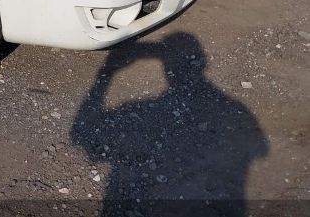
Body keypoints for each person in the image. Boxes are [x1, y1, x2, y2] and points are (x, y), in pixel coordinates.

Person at [71, 32, 268, 216]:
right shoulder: (238, 112)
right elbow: (259, 150)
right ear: (203, 63)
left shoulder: (138, 110)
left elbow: (80, 135)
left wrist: (105, 76)